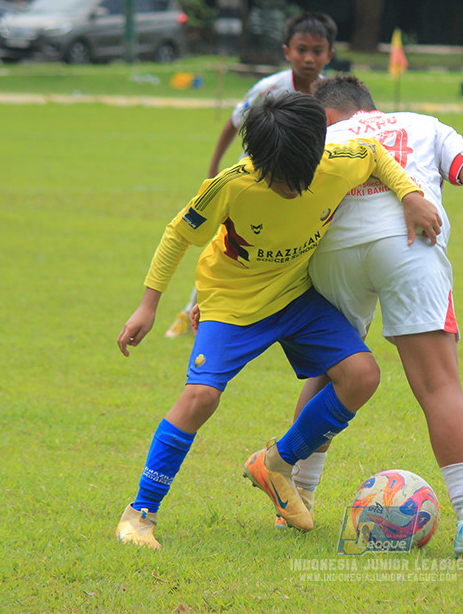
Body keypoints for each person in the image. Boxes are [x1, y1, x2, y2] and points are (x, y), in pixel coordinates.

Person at [192, 75, 463, 558]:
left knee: (331, 370)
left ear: (322, 116)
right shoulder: (423, 125)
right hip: (412, 247)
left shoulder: (317, 138)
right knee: (438, 386)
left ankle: (297, 495)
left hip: (335, 254)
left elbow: (243, 199)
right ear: (370, 107)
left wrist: (214, 291)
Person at [114, 91, 442, 550]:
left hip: (295, 296)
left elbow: (374, 155)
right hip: (231, 303)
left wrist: (409, 194)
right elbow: (177, 234)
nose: (291, 189)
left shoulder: (337, 161)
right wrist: (148, 306)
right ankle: (139, 514)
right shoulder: (232, 184)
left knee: (362, 376)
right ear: (257, 159)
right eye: (279, 179)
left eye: (298, 178)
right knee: (201, 396)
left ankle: (276, 463)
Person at [164, 12, 338, 338]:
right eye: (302, 49)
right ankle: (192, 311)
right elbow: (233, 124)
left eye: (317, 51)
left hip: (301, 184)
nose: (309, 58)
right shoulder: (270, 88)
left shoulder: (332, 94)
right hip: (256, 183)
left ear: (330, 54)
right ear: (287, 51)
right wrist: (215, 167)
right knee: (227, 247)